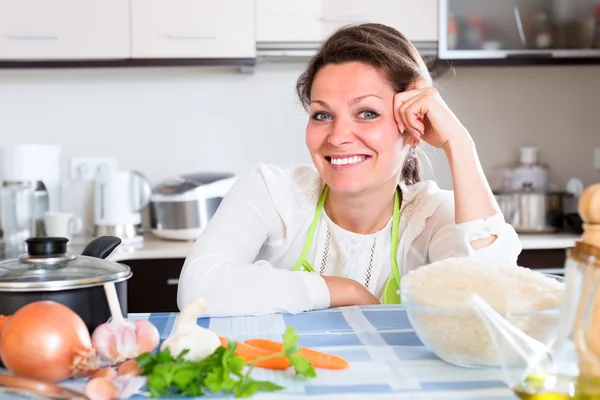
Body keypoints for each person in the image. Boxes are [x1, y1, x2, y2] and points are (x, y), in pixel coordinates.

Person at [176, 23, 522, 317]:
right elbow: (197, 289)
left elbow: (492, 306)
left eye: (367, 113)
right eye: (322, 115)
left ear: (414, 129)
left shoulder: (432, 217)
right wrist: (344, 290)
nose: (338, 136)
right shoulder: (272, 192)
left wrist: (459, 143)